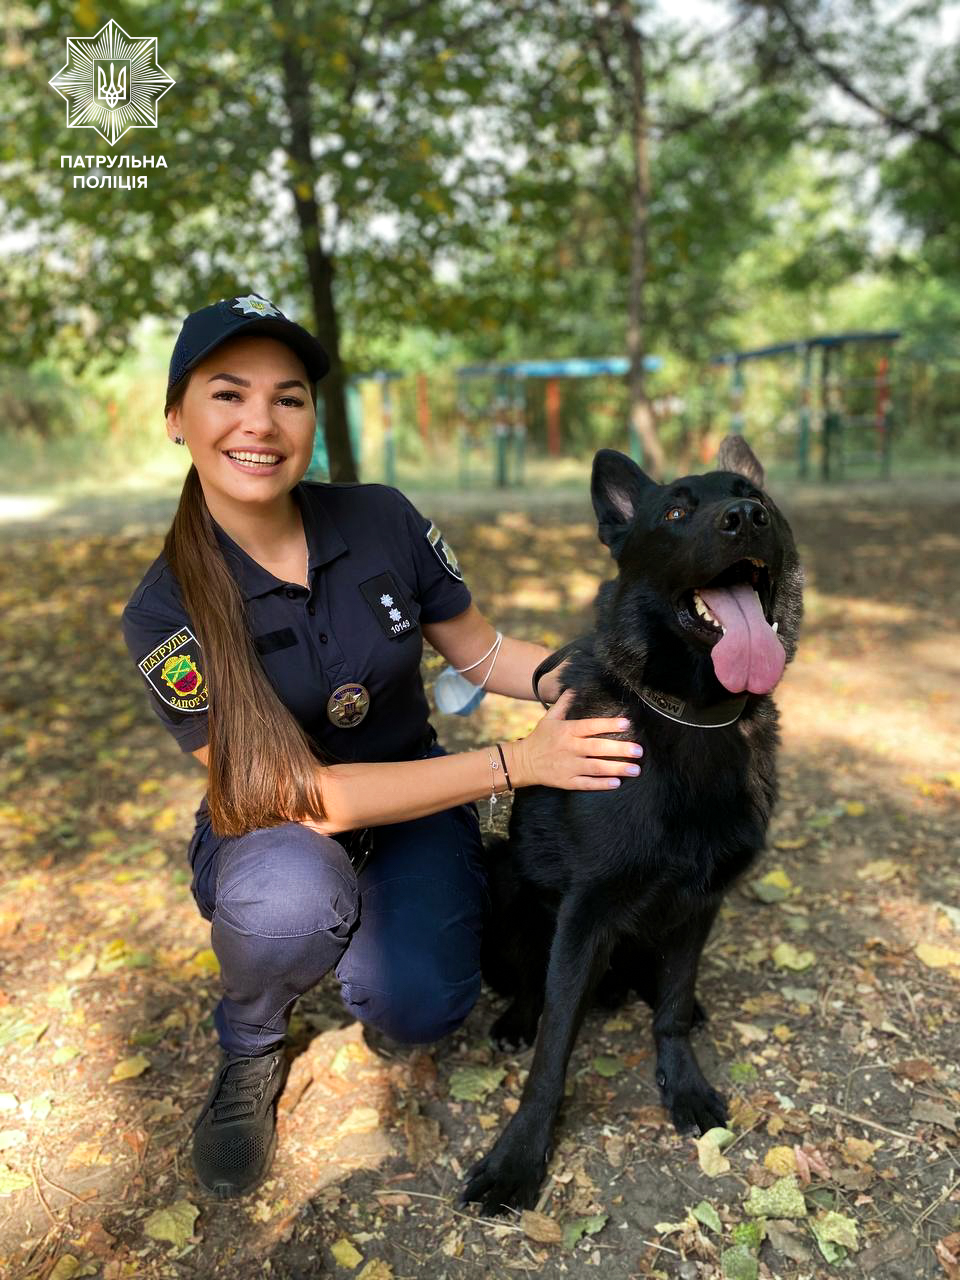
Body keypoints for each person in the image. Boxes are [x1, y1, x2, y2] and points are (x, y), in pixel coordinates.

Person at [119, 290, 645, 1201]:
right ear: (176, 418)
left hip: (415, 803)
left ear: (312, 420)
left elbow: (482, 653)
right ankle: (251, 1041)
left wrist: (620, 681)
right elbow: (305, 799)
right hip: (278, 830)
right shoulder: (163, 610)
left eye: (288, 398)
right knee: (289, 899)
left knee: (422, 1007)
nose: (260, 422)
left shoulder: (381, 519)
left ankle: (383, 936)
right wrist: (517, 763)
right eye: (228, 394)